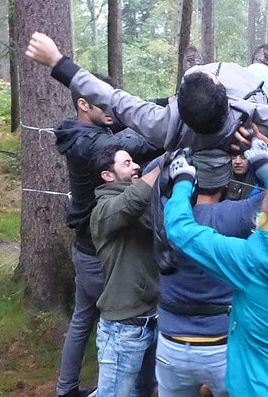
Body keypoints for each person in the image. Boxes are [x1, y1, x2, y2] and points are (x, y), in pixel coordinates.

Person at [25, 32, 268, 153]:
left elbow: (110, 96)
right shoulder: (252, 118)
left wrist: (58, 61)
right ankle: (261, 63)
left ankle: (196, 68)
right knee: (260, 75)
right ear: (224, 94)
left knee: (191, 75)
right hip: (247, 98)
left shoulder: (161, 126)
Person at [163, 138, 268, 396]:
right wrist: (264, 164)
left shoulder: (248, 259)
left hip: (257, 387)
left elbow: (181, 231)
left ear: (267, 206)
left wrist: (183, 180)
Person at [54, 78, 162, 397]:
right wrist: (168, 130)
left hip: (88, 248)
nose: (113, 110)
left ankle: (67, 388)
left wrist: (166, 103)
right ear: (83, 105)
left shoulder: (90, 132)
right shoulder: (91, 144)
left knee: (83, 319)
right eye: (105, 103)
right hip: (100, 253)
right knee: (122, 321)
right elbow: (134, 144)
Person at [155, 146, 268, 397]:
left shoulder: (164, 209)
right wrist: (262, 155)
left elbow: (151, 176)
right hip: (221, 344)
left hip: (170, 343)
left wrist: (177, 160)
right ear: (225, 181)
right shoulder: (236, 214)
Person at [89, 145, 161, 397]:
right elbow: (129, 203)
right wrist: (162, 166)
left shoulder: (142, 202)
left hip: (151, 319)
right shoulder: (103, 211)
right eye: (127, 163)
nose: (136, 167)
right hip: (123, 329)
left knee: (143, 392)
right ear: (107, 176)